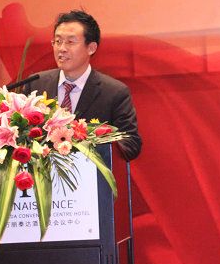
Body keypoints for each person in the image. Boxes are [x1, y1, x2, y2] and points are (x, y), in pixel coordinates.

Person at [24, 10, 142, 160]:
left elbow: (131, 145)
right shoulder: (36, 84)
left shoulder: (114, 92)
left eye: (70, 42)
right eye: (58, 41)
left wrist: (94, 141)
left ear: (91, 48)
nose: (62, 48)